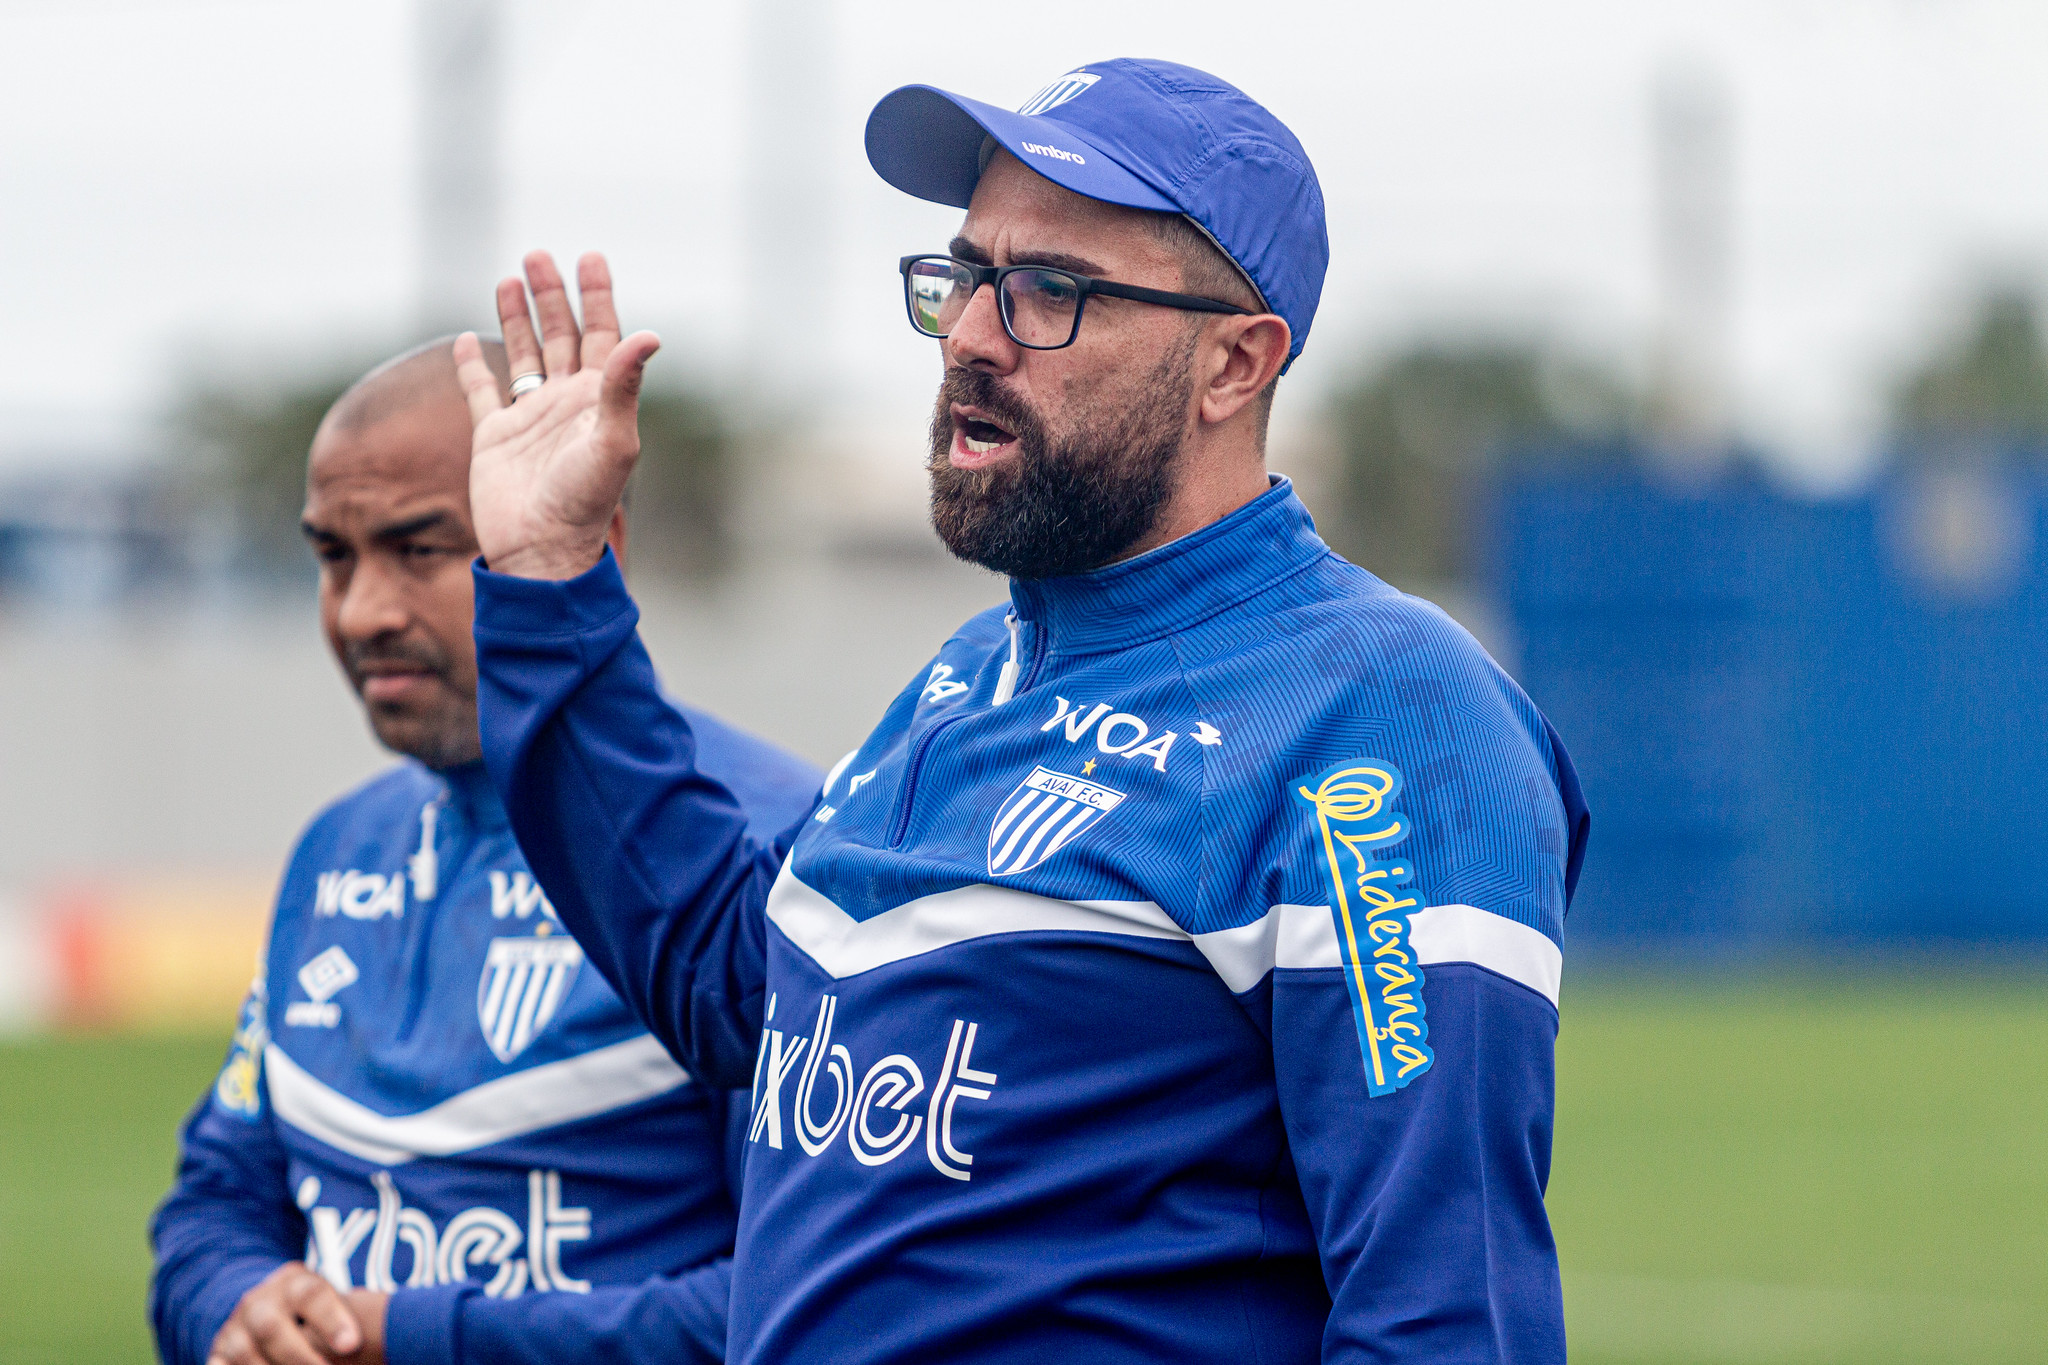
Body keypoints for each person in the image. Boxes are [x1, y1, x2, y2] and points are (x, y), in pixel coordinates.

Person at [457, 58, 1590, 1365]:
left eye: (1050, 290)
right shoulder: (967, 676)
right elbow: (739, 990)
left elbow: (1447, 1316)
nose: (972, 336)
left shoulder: (1385, 717)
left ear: (1235, 362)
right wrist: (549, 588)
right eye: (964, 276)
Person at [149, 338, 821, 1365]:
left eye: (419, 550)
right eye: (333, 556)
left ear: (584, 541)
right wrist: (237, 1307)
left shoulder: (770, 848)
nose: (364, 611)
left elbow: (807, 1298)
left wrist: (415, 1339)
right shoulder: (338, 849)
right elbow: (216, 1204)